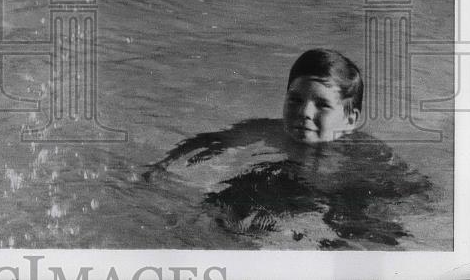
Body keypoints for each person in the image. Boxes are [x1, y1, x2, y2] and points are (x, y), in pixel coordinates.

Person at [142, 50, 433, 248]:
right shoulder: (270, 131)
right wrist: (162, 166)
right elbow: (214, 141)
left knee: (352, 228)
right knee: (239, 191)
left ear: (350, 119)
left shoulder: (363, 152)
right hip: (298, 188)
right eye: (295, 100)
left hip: (346, 195)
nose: (304, 112)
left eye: (322, 104)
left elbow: (418, 189)